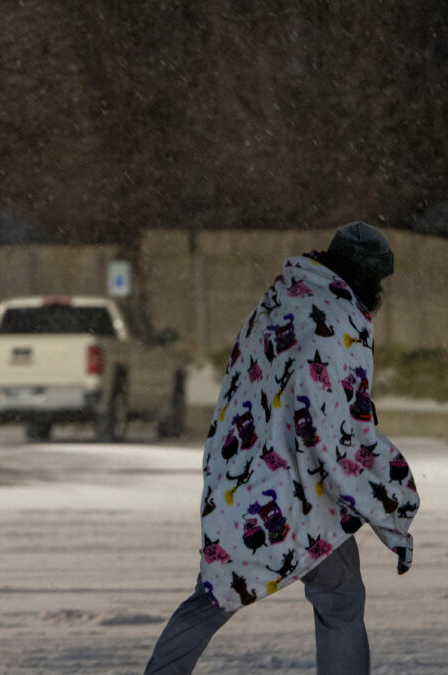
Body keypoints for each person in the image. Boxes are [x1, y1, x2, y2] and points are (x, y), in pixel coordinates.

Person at [145, 222, 419, 674]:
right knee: (340, 600)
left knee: (216, 593)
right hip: (303, 491)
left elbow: (244, 391)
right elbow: (337, 421)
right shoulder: (336, 319)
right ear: (369, 280)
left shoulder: (280, 300)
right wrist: (390, 483)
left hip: (246, 482)